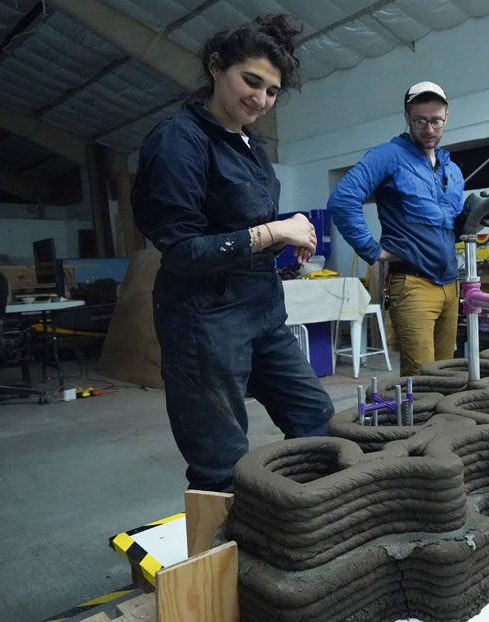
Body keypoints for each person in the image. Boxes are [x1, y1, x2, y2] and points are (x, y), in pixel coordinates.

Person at [132, 14, 333, 492]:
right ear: (216, 65)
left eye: (271, 92)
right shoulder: (178, 140)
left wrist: (287, 235)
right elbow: (182, 251)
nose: (260, 99)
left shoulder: (250, 144)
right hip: (204, 318)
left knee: (315, 416)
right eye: (251, 81)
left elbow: (247, 220)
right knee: (220, 460)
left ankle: (309, 525)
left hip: (262, 310)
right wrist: (272, 231)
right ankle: (227, 560)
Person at [328, 81, 489, 376]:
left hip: (451, 286)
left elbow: (453, 226)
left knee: (448, 373)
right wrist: (372, 250)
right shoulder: (387, 156)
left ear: (447, 117)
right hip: (412, 286)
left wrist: (482, 220)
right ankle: (417, 423)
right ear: (407, 118)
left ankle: (443, 424)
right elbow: (342, 199)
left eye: (436, 121)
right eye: (420, 120)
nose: (429, 129)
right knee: (421, 380)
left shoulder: (452, 170)